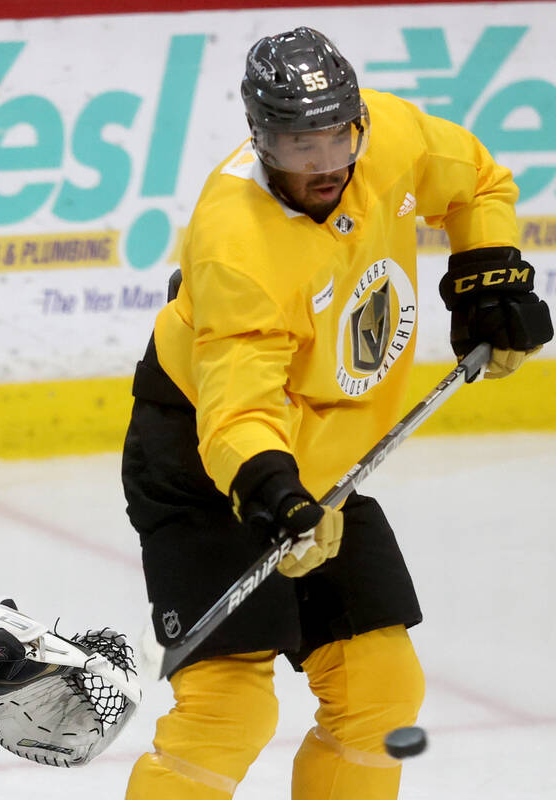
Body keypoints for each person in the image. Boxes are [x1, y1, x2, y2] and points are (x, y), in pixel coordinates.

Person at [121, 27, 551, 800]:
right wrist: (280, 498)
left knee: (380, 697)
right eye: (295, 144)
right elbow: (236, 406)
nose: (323, 164)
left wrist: (488, 274)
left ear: (357, 120)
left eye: (335, 138)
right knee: (228, 712)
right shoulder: (235, 243)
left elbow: (480, 182)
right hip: (203, 459)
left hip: (323, 468)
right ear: (260, 139)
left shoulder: (391, 137)